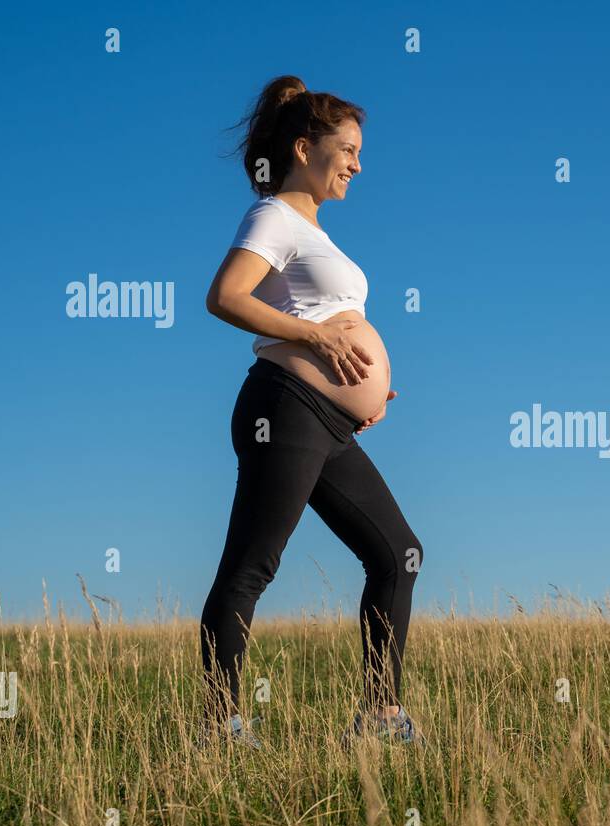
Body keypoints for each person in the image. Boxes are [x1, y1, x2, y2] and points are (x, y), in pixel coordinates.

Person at [198, 75, 423, 749]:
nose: (358, 163)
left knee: (399, 554)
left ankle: (381, 718)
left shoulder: (318, 236)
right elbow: (226, 297)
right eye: (347, 149)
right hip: (285, 408)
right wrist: (322, 339)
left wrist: (372, 387)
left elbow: (330, 314)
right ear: (304, 148)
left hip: (328, 422)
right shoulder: (273, 216)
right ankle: (221, 727)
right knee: (250, 569)